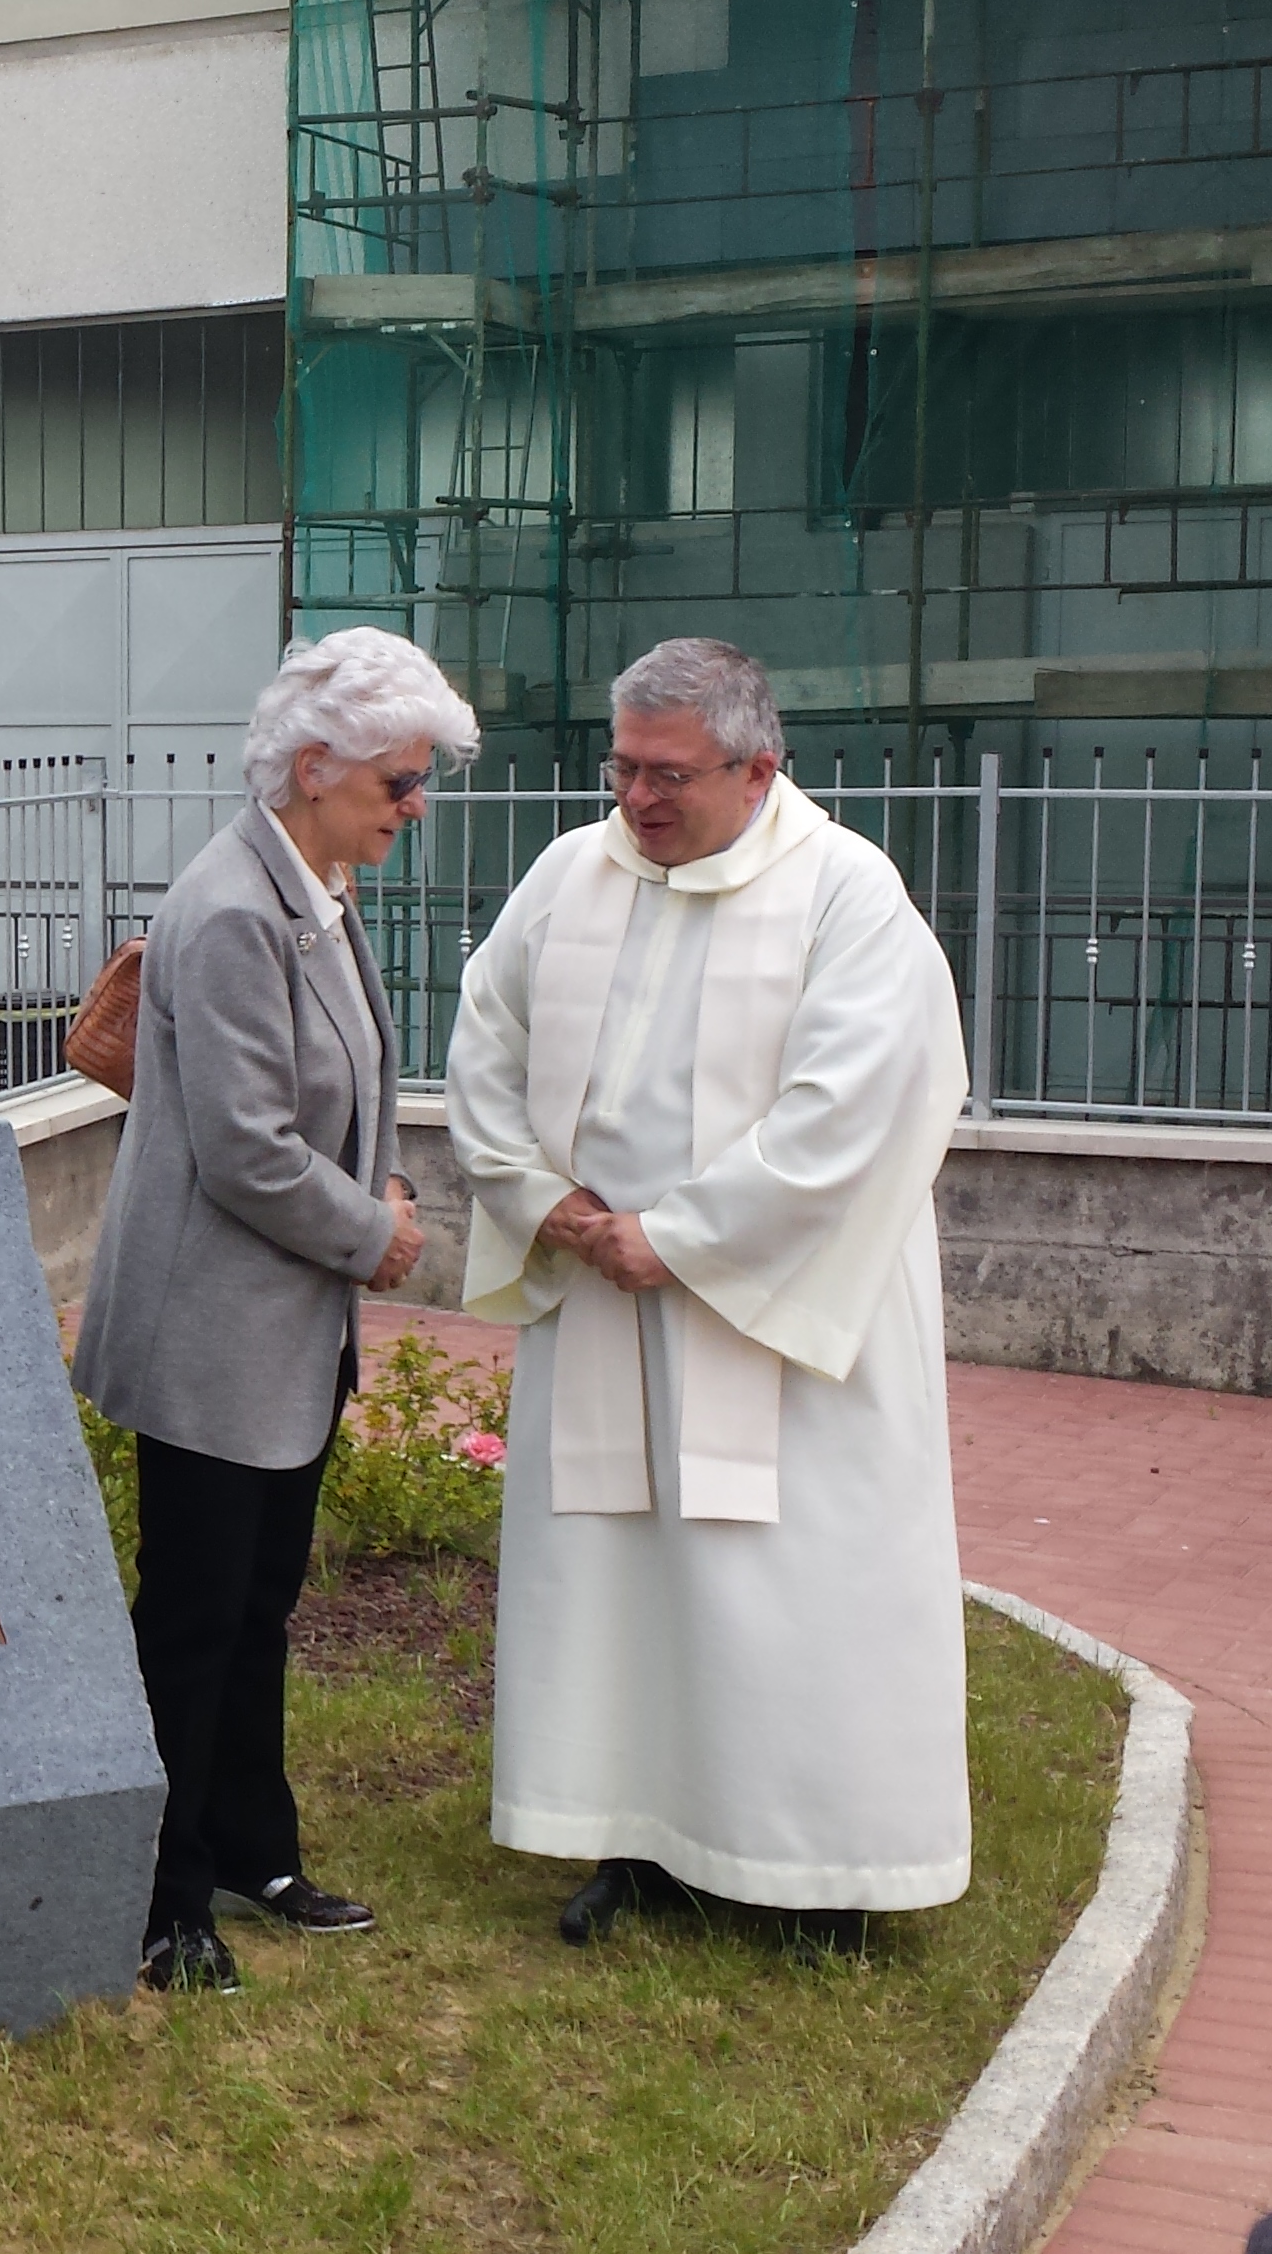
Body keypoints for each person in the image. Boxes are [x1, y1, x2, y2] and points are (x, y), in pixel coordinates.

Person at [448, 636, 971, 1952]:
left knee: (793, 1592)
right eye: (621, 766)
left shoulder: (847, 893)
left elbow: (852, 1110)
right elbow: (485, 1044)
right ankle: (645, 1838)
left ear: (759, 766)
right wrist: (549, 1207)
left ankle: (819, 1873)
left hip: (784, 1312)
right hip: (611, 1299)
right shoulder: (570, 876)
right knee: (626, 1584)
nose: (636, 798)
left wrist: (674, 1237)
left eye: (668, 773)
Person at [70, 625, 470, 1995]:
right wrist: (376, 1235)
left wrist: (388, 1177)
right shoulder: (237, 903)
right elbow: (246, 1147)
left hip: (279, 1325)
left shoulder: (312, 875)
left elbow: (339, 1085)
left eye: (417, 782)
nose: (414, 807)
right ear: (313, 767)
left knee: (258, 1601)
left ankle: (250, 1846)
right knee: (193, 1615)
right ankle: (158, 1895)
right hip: (215, 1330)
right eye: (399, 782)